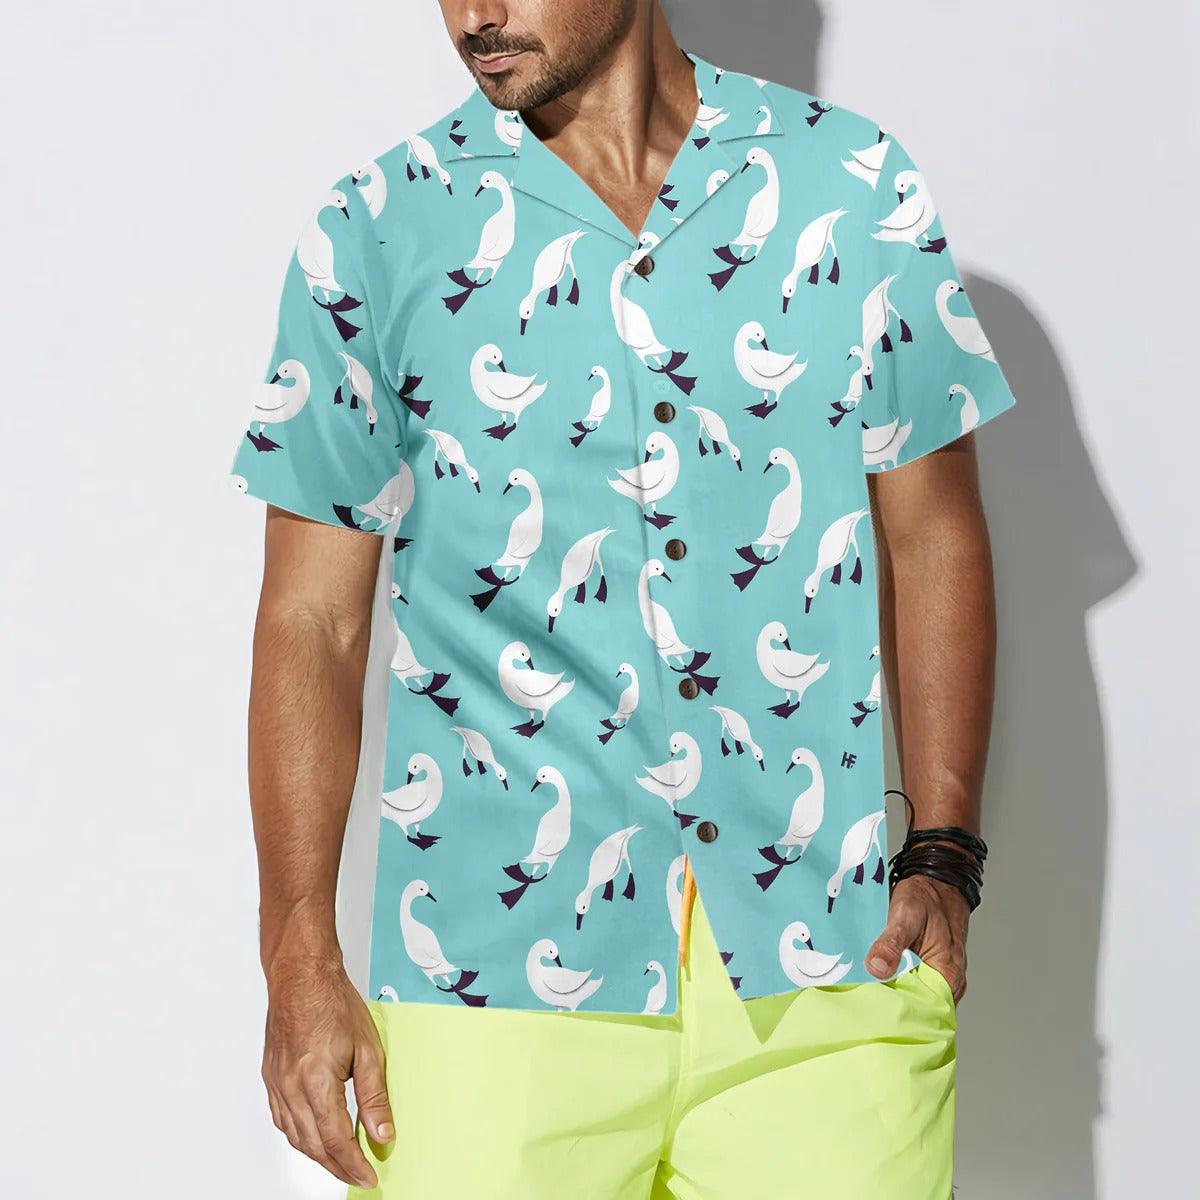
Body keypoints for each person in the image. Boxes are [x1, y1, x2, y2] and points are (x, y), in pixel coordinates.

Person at [228, 2, 1016, 1196]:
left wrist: (946, 853)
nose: (476, 14)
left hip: (829, 968)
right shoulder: (378, 229)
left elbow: (934, 530)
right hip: (489, 990)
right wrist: (297, 959)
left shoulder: (852, 185)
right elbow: (312, 621)